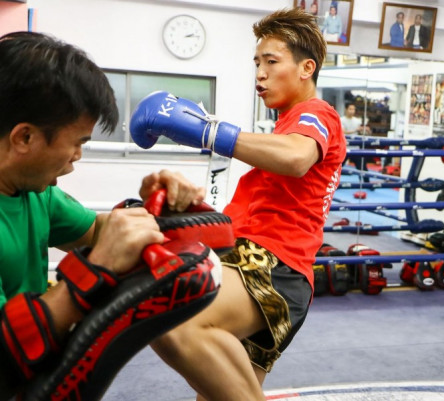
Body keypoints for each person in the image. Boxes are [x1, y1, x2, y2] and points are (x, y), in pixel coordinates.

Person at [129, 7, 346, 400]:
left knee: (169, 313)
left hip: (271, 267)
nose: (260, 73)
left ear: (306, 68)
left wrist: (207, 131)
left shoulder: (316, 114)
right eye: (256, 63)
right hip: (265, 268)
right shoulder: (284, 126)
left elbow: (296, 158)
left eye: (271, 62)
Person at [0, 31, 206, 399]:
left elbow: (97, 231)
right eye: (77, 142)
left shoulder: (35, 193)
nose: (77, 157)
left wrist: (153, 207)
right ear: (24, 138)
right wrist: (94, 269)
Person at [340, 103, 371, 185]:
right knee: (337, 167)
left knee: (362, 167)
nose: (352, 111)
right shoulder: (341, 120)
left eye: (353, 109)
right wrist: (356, 130)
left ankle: (368, 184)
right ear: (346, 109)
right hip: (345, 148)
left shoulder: (357, 121)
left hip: (355, 148)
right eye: (350, 109)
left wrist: (366, 130)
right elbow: (343, 132)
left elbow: (362, 133)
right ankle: (329, 184)